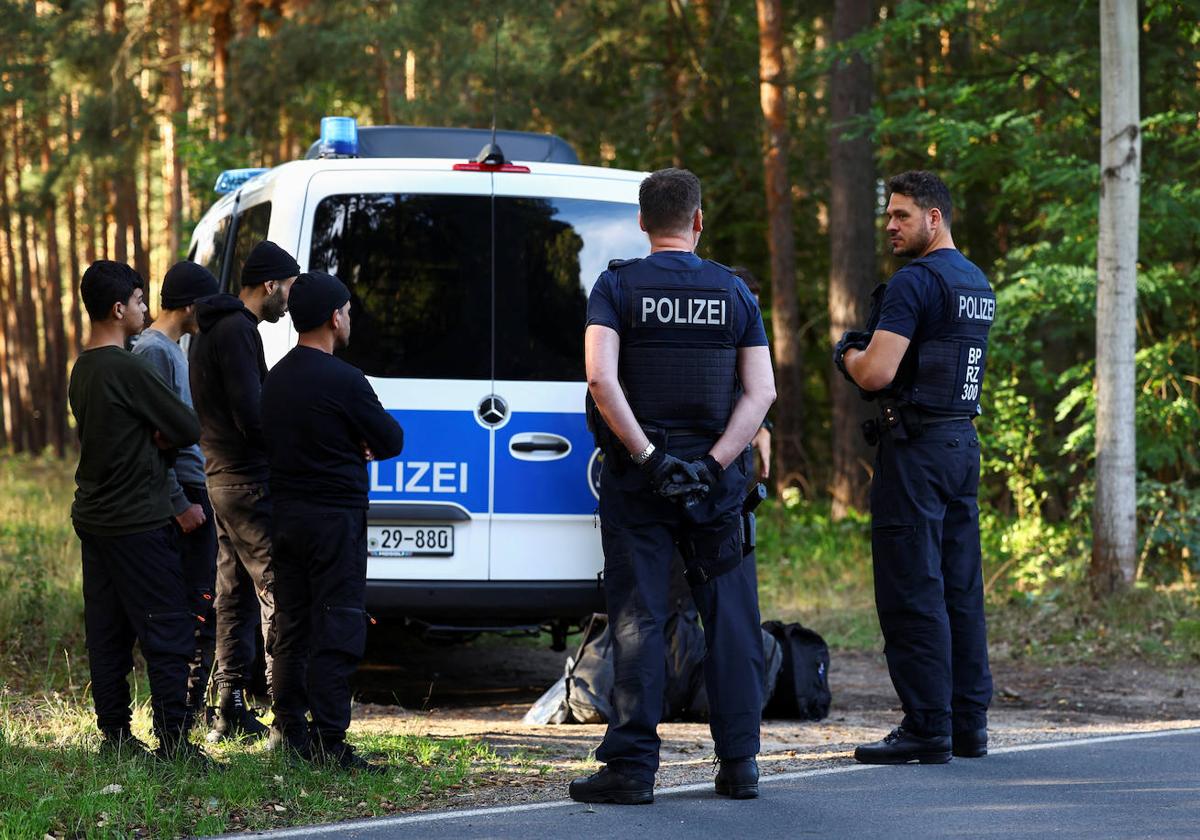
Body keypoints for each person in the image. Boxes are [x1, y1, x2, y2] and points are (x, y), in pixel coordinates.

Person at [570, 168, 777, 805]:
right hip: (717, 491)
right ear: (698, 220)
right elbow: (761, 391)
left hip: (640, 485)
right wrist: (713, 464)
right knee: (732, 620)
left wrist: (651, 458)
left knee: (639, 619)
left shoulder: (617, 285)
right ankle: (739, 763)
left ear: (642, 221)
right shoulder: (733, 291)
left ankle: (632, 768)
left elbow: (602, 381)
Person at [833, 170, 995, 764]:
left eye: (902, 215)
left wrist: (848, 351)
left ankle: (927, 726)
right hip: (960, 443)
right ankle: (968, 724)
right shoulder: (975, 281)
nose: (890, 225)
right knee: (960, 586)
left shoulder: (915, 282)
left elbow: (876, 373)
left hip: (918, 450)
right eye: (888, 215)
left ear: (935, 218)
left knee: (911, 585)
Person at [261, 271, 404, 771]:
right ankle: (329, 740)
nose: (349, 318)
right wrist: (355, 444)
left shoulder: (275, 379)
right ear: (333, 317)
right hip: (335, 521)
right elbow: (390, 440)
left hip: (284, 517)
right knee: (338, 623)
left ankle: (290, 730)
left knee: (292, 625)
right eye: (347, 310)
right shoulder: (346, 380)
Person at [69, 260, 208, 763]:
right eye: (141, 300)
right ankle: (174, 742)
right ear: (118, 307)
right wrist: (164, 432)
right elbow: (187, 426)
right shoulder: (128, 367)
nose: (147, 310)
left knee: (106, 633)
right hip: (139, 519)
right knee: (168, 629)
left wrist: (156, 431)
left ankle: (116, 736)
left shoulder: (82, 368)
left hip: (95, 518)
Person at [190, 240, 298, 741]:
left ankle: (229, 703)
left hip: (220, 479)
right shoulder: (236, 330)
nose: (290, 301)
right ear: (270, 285)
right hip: (247, 479)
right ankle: (287, 715)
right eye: (289, 289)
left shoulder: (218, 328)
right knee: (278, 587)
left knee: (232, 594)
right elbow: (249, 412)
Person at [131, 261, 221, 731]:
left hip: (193, 486)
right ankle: (175, 723)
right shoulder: (153, 352)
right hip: (180, 494)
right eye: (206, 303)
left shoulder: (174, 349)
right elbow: (148, 437)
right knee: (184, 607)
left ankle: (184, 720)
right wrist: (176, 502)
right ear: (190, 305)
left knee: (200, 602)